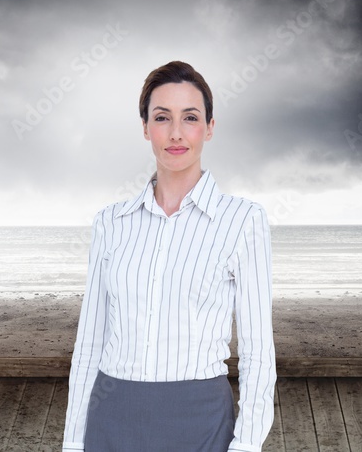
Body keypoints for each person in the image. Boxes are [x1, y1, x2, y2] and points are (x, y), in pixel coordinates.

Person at [62, 60, 276, 452]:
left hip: (202, 422)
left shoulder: (243, 221)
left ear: (209, 127)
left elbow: (258, 351)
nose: (176, 133)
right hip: (112, 419)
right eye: (162, 117)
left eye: (190, 117)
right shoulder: (110, 223)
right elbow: (90, 343)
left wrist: (246, 445)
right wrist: (74, 443)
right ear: (145, 127)